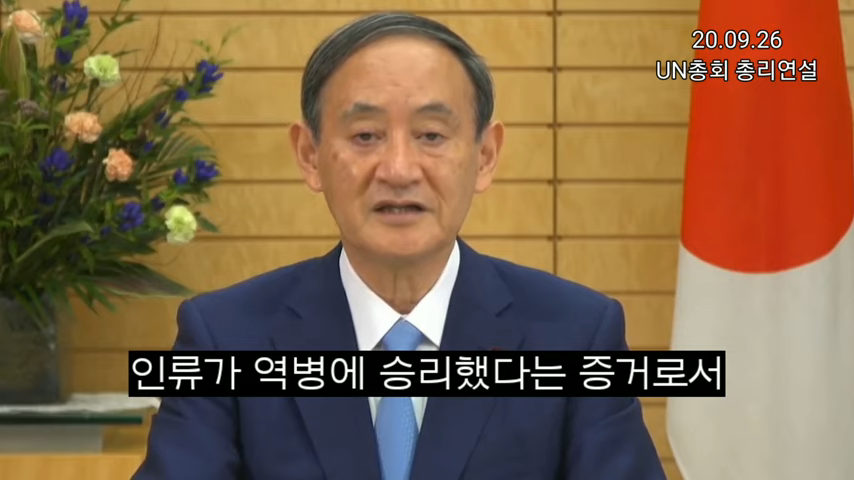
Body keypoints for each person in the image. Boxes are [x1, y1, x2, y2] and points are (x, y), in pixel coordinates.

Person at [132, 12, 665, 480]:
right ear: (310, 155)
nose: (399, 170)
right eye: (365, 136)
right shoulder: (224, 338)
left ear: (484, 156)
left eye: (431, 135)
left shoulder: (576, 336)